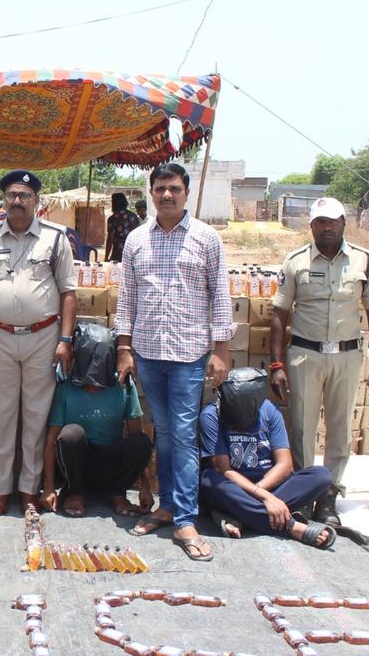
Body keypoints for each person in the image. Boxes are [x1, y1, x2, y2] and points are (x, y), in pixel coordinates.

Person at [115, 162, 231, 562]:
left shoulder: (206, 239)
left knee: (182, 432)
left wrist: (221, 351)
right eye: (160, 188)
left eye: (174, 189)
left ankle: (184, 516)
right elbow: (126, 298)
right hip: (148, 351)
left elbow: (221, 297)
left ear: (185, 192)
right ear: (151, 193)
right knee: (163, 430)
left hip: (188, 353)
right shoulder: (135, 240)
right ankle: (166, 506)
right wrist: (125, 348)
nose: (167, 195)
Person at [0, 169, 77, 517]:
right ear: (4, 200)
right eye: (12, 195)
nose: (17, 201)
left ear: (36, 201)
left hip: (43, 337)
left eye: (25, 196)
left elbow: (68, 292)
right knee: (0, 415)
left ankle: (29, 489)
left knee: (35, 416)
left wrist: (65, 340)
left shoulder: (56, 238)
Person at [269, 197, 369, 526]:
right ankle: (305, 494)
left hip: (347, 355)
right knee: (303, 428)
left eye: (333, 221)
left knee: (340, 429)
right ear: (312, 226)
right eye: (320, 222)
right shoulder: (295, 261)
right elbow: (279, 313)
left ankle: (329, 495)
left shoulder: (363, 260)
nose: (327, 227)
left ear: (344, 223)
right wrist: (277, 365)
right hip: (306, 355)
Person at [200, 368, 336, 548]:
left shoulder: (270, 410)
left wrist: (262, 495)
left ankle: (241, 514)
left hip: (268, 486)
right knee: (208, 480)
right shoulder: (210, 416)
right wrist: (264, 498)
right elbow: (224, 470)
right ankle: (290, 525)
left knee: (321, 476)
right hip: (233, 487)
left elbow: (285, 464)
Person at [40, 324, 153, 517]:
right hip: (79, 462)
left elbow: (136, 434)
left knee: (141, 441)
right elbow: (51, 441)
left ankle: (118, 494)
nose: (93, 387)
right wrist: (49, 486)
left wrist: (146, 486)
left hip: (110, 462)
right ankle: (75, 493)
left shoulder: (123, 385)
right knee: (70, 435)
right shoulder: (67, 388)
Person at [104, 192, 141, 263]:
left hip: (118, 253)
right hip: (133, 252)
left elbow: (110, 239)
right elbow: (139, 236)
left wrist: (106, 257)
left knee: (116, 272)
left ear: (114, 203)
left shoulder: (112, 219)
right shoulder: (133, 216)